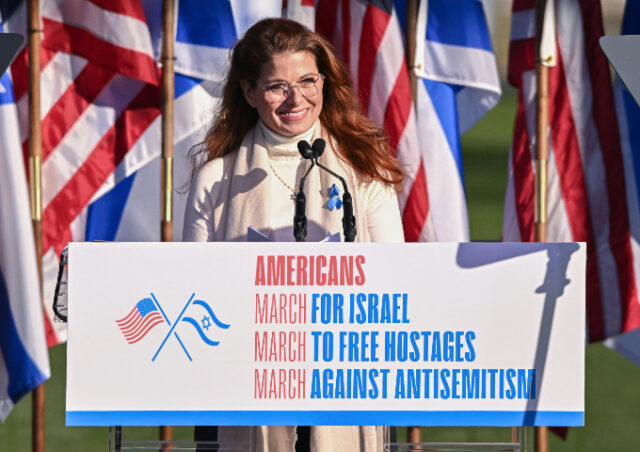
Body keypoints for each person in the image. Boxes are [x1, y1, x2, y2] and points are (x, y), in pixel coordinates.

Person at [183, 17, 404, 452]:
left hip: (344, 378)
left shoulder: (363, 171)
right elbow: (193, 291)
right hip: (242, 380)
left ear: (324, 82)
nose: (295, 98)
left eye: (307, 80)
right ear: (248, 92)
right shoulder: (216, 178)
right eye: (276, 86)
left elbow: (394, 278)